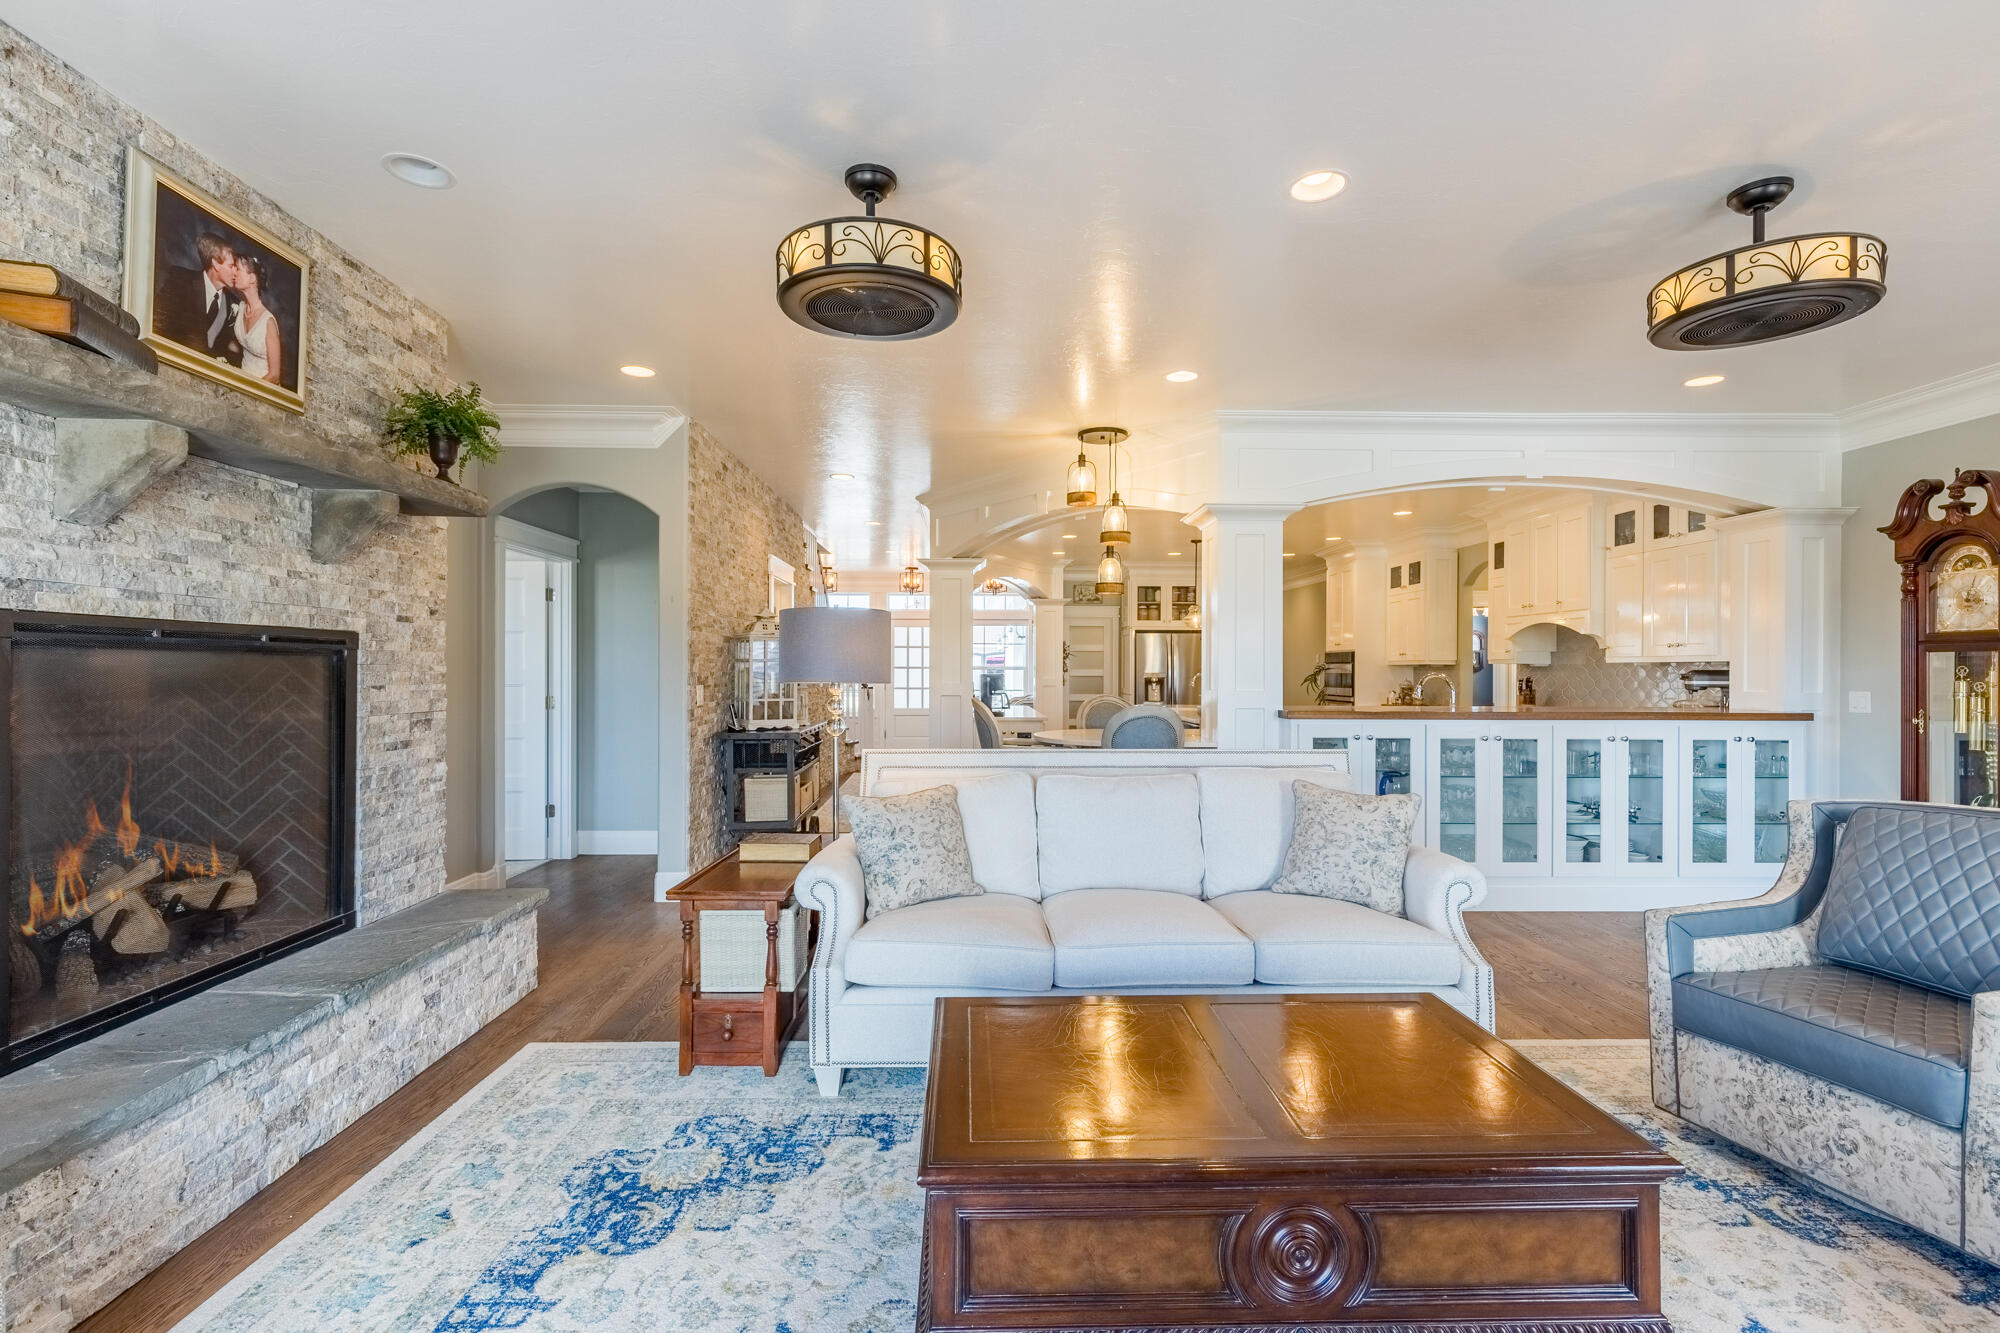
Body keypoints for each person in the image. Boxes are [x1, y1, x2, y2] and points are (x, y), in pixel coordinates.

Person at [153, 231, 243, 365]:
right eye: (231, 266)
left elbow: (233, 351)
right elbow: (157, 325)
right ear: (215, 264)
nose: (235, 272)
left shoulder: (235, 303)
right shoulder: (180, 280)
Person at [228, 251, 284, 387]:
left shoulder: (268, 322)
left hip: (264, 389)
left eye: (238, 269)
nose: (234, 272)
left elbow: (275, 375)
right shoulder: (240, 308)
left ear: (252, 279)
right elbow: (238, 346)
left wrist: (250, 390)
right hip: (241, 380)